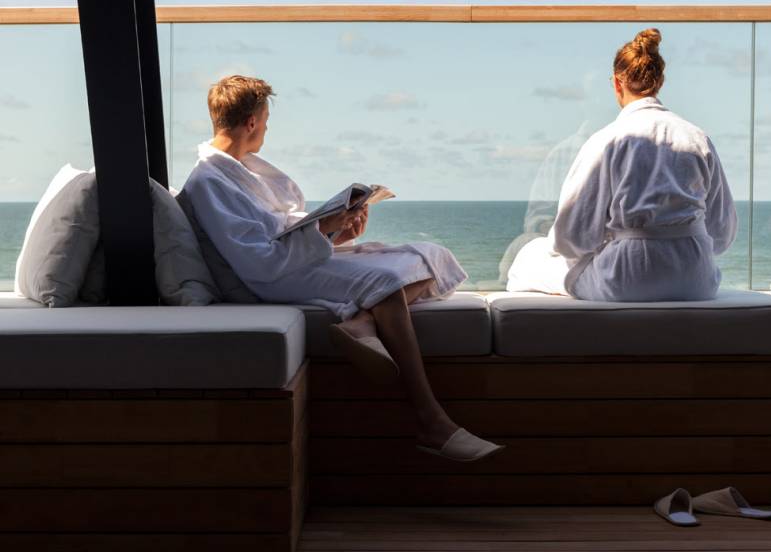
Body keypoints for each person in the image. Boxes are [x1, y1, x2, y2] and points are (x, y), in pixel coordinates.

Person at [179, 75, 503, 461]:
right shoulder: (209, 182)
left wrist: (336, 233)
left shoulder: (239, 170)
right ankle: (431, 420)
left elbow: (281, 230)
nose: (266, 128)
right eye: (265, 119)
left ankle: (361, 322)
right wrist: (323, 229)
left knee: (428, 255)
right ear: (252, 121)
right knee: (385, 281)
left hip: (296, 259)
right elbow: (259, 262)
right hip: (273, 279)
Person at [507, 28, 737, 302]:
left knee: (530, 256)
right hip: (696, 280)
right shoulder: (698, 138)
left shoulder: (606, 141)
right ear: (660, 81)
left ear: (617, 83)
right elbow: (721, 233)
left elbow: (571, 238)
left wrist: (612, 239)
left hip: (629, 277)